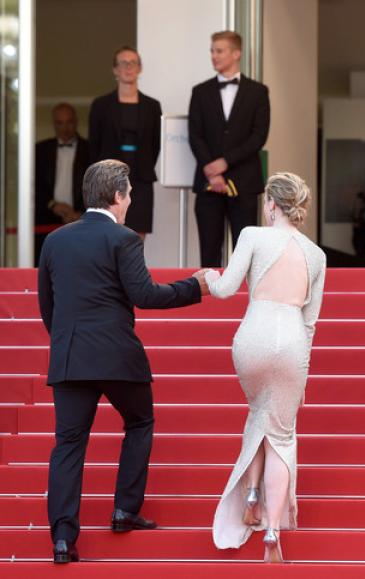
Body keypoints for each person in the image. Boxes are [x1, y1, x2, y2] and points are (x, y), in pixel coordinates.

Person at [37, 160, 209, 564]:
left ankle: (63, 539)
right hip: (117, 357)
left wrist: (67, 342)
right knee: (140, 421)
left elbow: (49, 306)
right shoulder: (124, 238)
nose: (131, 201)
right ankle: (124, 509)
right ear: (117, 196)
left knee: (68, 444)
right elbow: (145, 295)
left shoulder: (55, 241)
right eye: (129, 194)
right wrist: (194, 287)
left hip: (70, 358)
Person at [207, 172, 326, 563]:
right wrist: (304, 375)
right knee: (282, 432)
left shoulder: (252, 236)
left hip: (253, 337)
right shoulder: (316, 255)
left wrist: (207, 277)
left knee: (260, 414)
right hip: (291, 340)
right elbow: (310, 324)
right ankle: (272, 530)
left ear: (271, 204)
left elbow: (224, 289)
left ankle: (252, 495)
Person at [189, 30, 271, 267]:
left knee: (246, 252)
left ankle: (244, 302)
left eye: (219, 51)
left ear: (236, 53)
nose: (214, 56)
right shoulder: (200, 92)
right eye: (212, 51)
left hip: (244, 183)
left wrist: (225, 162)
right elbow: (195, 135)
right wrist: (212, 171)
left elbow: (259, 136)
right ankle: (209, 302)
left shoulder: (258, 92)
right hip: (207, 186)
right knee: (209, 250)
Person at [89, 46, 162, 241]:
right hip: (108, 180)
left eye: (133, 63)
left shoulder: (152, 106)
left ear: (140, 68)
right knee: (107, 233)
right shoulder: (101, 105)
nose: (128, 67)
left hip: (141, 178)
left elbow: (155, 144)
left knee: (136, 237)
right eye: (123, 63)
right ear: (115, 69)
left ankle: (132, 272)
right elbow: (94, 146)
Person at [35, 103, 90, 264]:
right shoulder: (39, 150)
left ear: (76, 122)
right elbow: (34, 186)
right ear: (53, 123)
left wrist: (82, 213)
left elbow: (96, 185)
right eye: (59, 123)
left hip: (81, 220)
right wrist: (52, 204)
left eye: (69, 122)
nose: (64, 128)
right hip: (45, 221)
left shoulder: (91, 149)